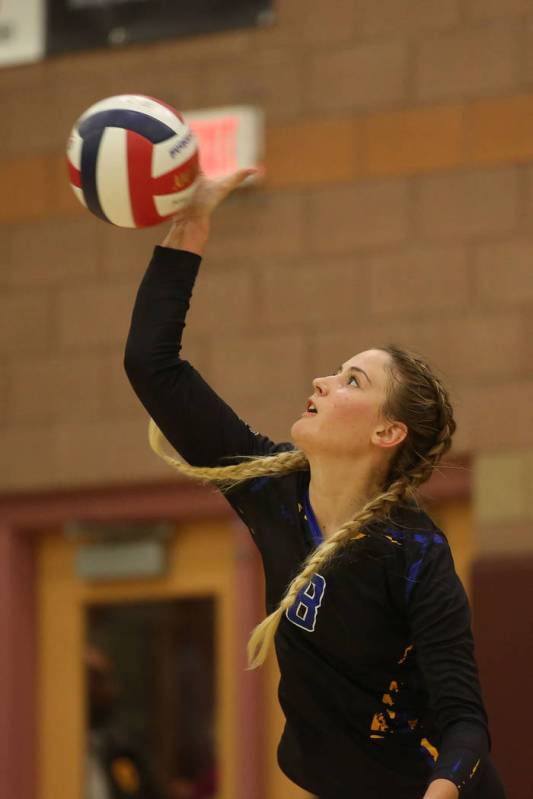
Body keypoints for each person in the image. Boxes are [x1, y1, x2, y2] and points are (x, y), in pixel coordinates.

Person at [123, 169, 507, 799]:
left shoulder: (414, 554)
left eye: (353, 381)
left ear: (388, 433)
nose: (325, 382)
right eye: (335, 372)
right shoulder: (270, 489)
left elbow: (465, 723)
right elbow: (152, 365)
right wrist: (189, 227)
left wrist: (441, 791)